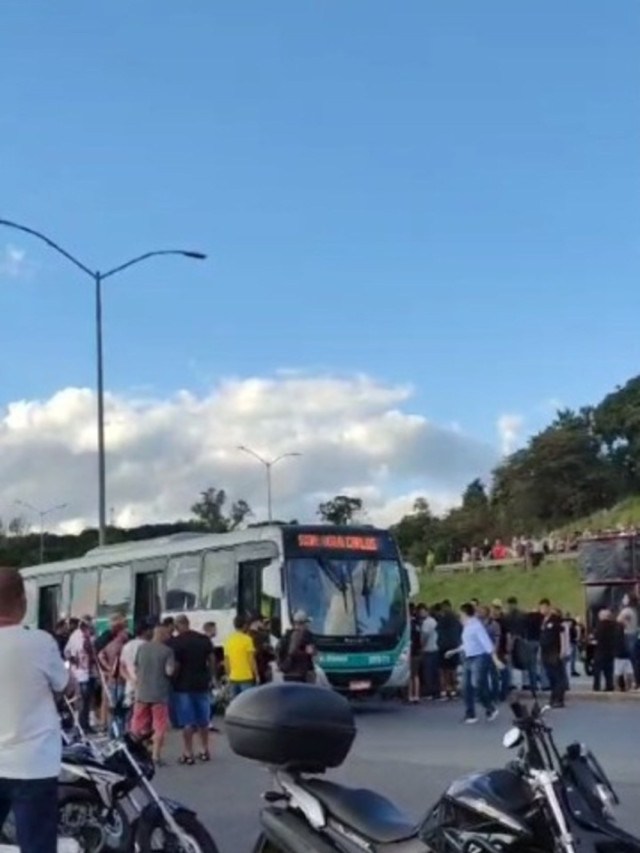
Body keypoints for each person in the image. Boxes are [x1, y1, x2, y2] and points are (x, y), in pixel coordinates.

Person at [0, 566, 73, 853]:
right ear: (22, 600)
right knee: (37, 846)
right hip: (34, 765)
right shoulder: (40, 642)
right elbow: (66, 686)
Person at [169, 614, 216, 765]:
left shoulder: (176, 643)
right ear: (188, 623)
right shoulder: (203, 639)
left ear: (177, 626)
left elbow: (176, 665)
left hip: (183, 686)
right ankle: (204, 750)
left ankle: (188, 752)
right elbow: (212, 659)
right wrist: (211, 676)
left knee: (187, 721)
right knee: (203, 720)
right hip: (202, 683)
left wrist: (172, 679)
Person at [447, 603, 498, 724]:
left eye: (460, 614)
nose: (459, 617)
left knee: (477, 684)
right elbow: (468, 643)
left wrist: (495, 659)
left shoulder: (476, 626)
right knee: (466, 687)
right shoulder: (467, 626)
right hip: (468, 658)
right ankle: (470, 714)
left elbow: (487, 644)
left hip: (479, 657)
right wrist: (454, 651)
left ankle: (490, 707)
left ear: (465, 614)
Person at [131, 624, 175, 765]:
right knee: (159, 725)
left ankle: (134, 753)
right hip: (159, 694)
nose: (169, 636)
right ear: (161, 635)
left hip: (142, 692)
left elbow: (136, 667)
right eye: (167, 634)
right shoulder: (167, 651)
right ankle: (155, 756)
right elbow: (169, 671)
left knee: (138, 723)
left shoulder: (142, 648)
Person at [64, 615, 95, 732]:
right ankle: (79, 726)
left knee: (88, 700)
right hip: (79, 673)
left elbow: (93, 652)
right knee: (80, 699)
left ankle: (86, 724)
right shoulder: (75, 636)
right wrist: (73, 659)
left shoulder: (91, 636)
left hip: (90, 672)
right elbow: (66, 652)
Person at [120, 620, 154, 714]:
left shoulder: (127, 646)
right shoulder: (148, 646)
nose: (152, 632)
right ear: (145, 631)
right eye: (150, 629)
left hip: (130, 686)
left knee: (131, 715)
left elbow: (122, 668)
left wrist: (130, 680)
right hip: (146, 687)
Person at [539, 600, 567, 708]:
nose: (542, 610)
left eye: (544, 607)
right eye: (541, 608)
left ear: (548, 607)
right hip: (545, 651)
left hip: (554, 651)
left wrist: (563, 650)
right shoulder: (544, 621)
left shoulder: (555, 619)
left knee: (557, 676)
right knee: (550, 676)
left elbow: (562, 633)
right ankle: (553, 697)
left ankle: (559, 699)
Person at [277, 611, 315, 683]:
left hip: (287, 672)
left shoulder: (287, 635)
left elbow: (279, 649)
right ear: (304, 624)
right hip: (301, 673)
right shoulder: (305, 635)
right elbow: (309, 651)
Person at [224, 615, 258, 695]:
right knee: (247, 702)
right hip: (246, 677)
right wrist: (256, 674)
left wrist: (229, 675)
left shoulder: (228, 640)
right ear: (245, 625)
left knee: (235, 703)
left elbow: (226, 660)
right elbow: (251, 660)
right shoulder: (247, 639)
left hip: (233, 677)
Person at [437, 600, 461, 699]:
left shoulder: (442, 619)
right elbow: (460, 631)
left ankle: (446, 690)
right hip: (454, 646)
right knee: (452, 669)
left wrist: (439, 643)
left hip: (443, 647)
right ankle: (454, 690)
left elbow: (438, 632)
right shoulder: (456, 619)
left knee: (444, 670)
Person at [418, 604, 440, 699]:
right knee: (434, 672)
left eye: (423, 611)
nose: (421, 613)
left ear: (427, 611)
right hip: (435, 648)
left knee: (428, 672)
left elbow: (425, 636)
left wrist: (421, 646)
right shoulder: (433, 621)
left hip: (429, 649)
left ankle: (430, 692)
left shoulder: (426, 623)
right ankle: (436, 691)